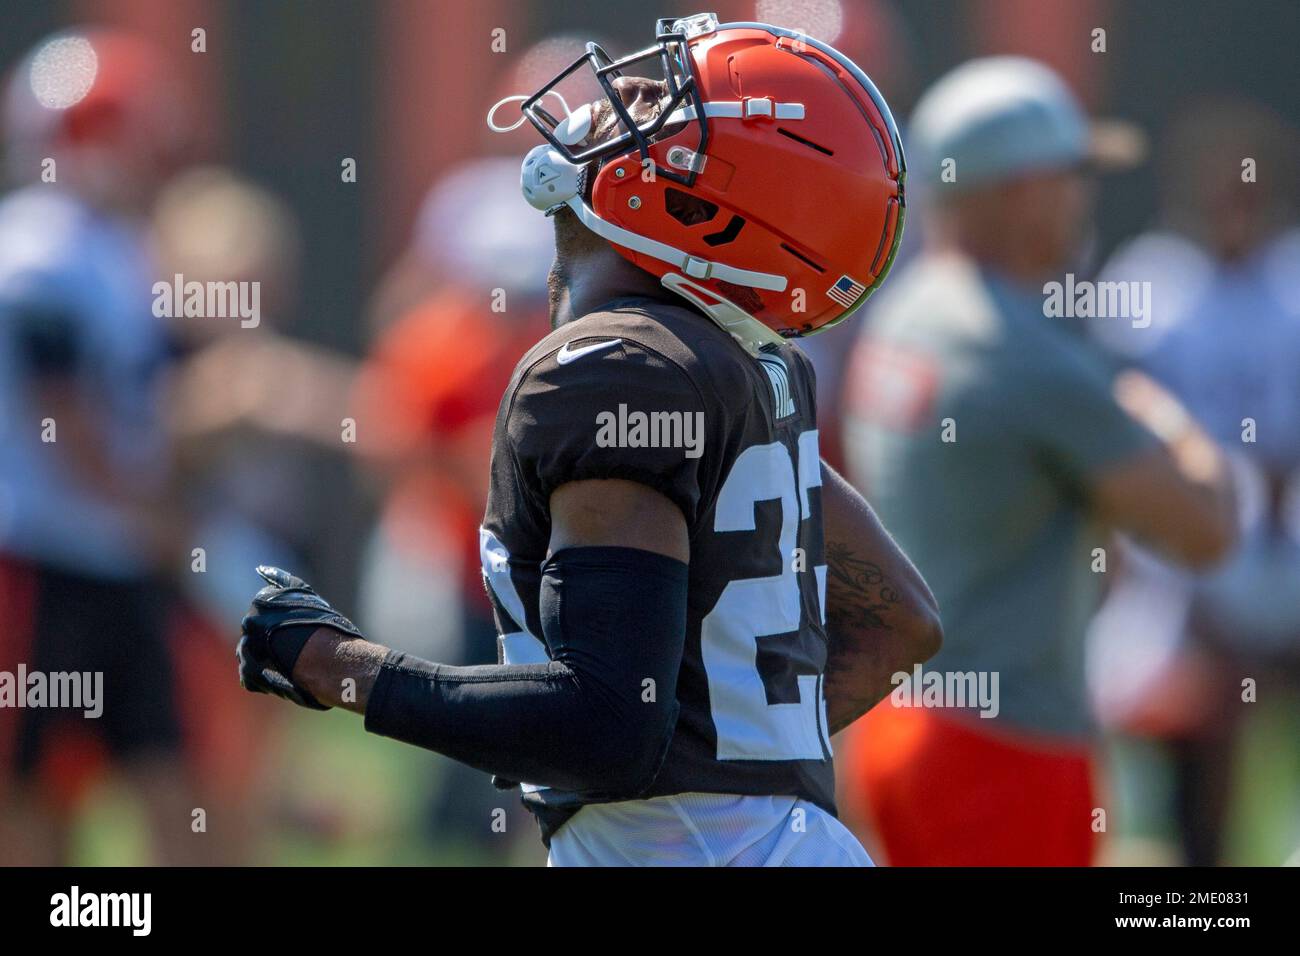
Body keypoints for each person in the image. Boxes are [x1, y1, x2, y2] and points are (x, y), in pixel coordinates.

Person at [235, 13, 940, 866]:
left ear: (703, 208)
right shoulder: (750, 367)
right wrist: (722, 754)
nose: (628, 94)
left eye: (672, 104)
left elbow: (603, 724)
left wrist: (330, 664)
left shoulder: (616, 363)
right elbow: (903, 622)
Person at [838, 57, 1237, 866]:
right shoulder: (1025, 354)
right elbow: (1205, 530)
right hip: (1002, 747)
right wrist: (1146, 404)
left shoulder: (906, 309)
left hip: (898, 718)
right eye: (1074, 174)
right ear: (1021, 190)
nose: (1084, 197)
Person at [0, 30, 197, 864]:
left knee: (165, 773)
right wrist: (151, 514)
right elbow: (66, 414)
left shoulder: (116, 245)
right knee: (34, 785)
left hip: (113, 550)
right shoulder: (38, 249)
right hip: (42, 551)